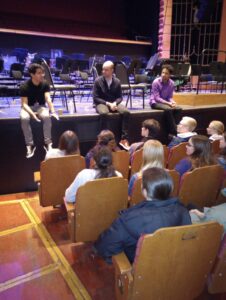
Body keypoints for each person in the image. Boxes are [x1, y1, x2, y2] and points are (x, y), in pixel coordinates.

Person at [94, 167, 191, 264]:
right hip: (169, 265)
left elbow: (103, 247)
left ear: (144, 191)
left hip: (137, 270)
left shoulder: (128, 221)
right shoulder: (183, 211)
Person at [20, 63, 59, 158]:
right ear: (32, 74)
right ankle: (30, 145)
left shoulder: (45, 84)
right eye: (39, 73)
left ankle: (48, 143)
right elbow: (24, 104)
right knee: (24, 118)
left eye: (43, 73)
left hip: (41, 106)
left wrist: (53, 111)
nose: (42, 75)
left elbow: (48, 99)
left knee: (46, 116)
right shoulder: (24, 86)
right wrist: (32, 115)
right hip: (28, 107)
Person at [93, 60, 130, 147]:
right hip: (102, 103)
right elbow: (96, 98)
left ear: (112, 70)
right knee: (104, 113)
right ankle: (103, 139)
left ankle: (124, 139)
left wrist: (114, 103)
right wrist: (108, 103)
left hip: (114, 103)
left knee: (126, 112)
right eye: (103, 69)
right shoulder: (98, 81)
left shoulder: (117, 81)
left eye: (106, 70)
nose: (103, 71)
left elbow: (120, 97)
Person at [150, 64, 182, 135]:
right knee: (168, 109)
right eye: (163, 72)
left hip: (165, 102)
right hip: (155, 102)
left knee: (179, 108)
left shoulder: (172, 83)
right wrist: (168, 103)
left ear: (170, 75)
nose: (164, 75)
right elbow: (157, 98)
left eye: (166, 73)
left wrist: (173, 102)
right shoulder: (156, 82)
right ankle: (174, 131)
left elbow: (170, 97)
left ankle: (176, 127)